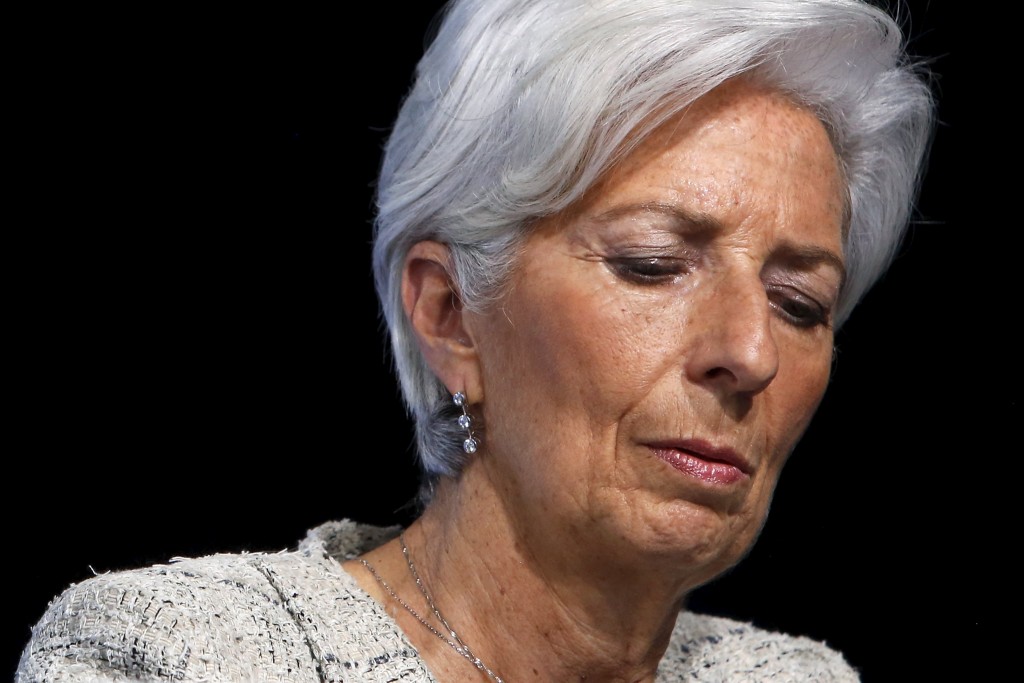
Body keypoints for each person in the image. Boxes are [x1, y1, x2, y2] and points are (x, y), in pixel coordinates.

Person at [16, 0, 937, 680]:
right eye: (655, 263)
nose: (751, 350)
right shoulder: (173, 657)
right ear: (450, 314)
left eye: (800, 302)